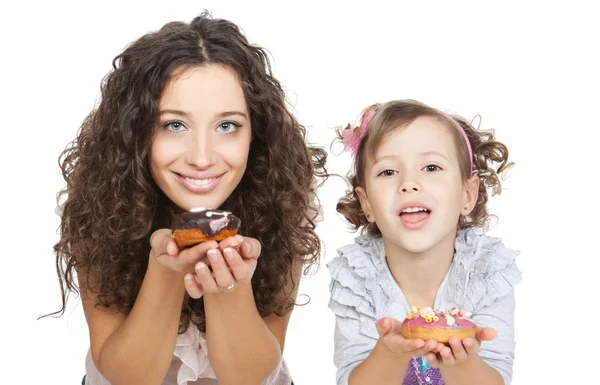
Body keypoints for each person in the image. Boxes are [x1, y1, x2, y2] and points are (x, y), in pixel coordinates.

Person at [48, 12, 326, 385]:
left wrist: (229, 288)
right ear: (136, 132)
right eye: (174, 125)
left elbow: (250, 376)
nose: (201, 157)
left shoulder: (280, 205)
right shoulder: (102, 209)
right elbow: (126, 377)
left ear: (255, 134)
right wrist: (166, 272)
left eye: (227, 126)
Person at [327, 99, 521, 385]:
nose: (409, 183)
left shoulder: (484, 271)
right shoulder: (358, 278)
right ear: (366, 203)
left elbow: (497, 378)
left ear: (467, 194)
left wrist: (462, 362)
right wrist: (390, 352)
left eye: (431, 167)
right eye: (388, 172)